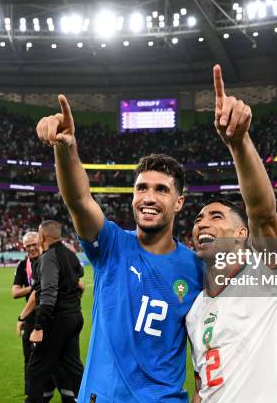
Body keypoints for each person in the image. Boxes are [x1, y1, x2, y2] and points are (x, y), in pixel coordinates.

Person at [35, 97, 204, 402]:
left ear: (179, 202)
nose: (149, 197)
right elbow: (79, 200)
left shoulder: (197, 269)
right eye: (142, 188)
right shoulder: (111, 244)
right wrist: (66, 148)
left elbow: (207, 348)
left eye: (161, 189)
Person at [185, 65, 277, 402]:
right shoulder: (194, 310)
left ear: (241, 234)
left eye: (216, 216)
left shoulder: (269, 277)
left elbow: (263, 213)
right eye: (197, 218)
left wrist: (238, 143)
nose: (201, 222)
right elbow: (202, 386)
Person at [23, 221, 85, 403]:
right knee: (73, 366)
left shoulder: (49, 257)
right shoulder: (70, 255)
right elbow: (79, 279)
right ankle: (91, 399)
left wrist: (39, 326)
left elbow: (49, 293)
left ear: (43, 237)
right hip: (75, 316)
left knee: (35, 368)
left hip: (57, 320)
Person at [12, 231, 41, 399]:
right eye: (28, 246)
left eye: (34, 244)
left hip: (51, 317)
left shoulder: (50, 260)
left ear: (41, 242)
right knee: (29, 359)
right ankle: (32, 395)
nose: (31, 248)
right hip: (31, 318)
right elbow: (14, 292)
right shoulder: (23, 265)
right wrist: (35, 287)